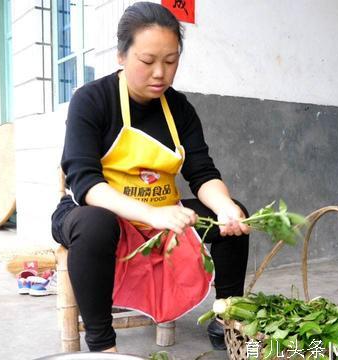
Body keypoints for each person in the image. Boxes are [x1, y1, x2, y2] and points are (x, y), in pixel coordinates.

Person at [51, 2, 249, 352]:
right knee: (94, 224)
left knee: (235, 215)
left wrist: (225, 207)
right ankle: (102, 345)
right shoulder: (92, 101)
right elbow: (84, 183)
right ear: (121, 56)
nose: (160, 72)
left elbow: (202, 174)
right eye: (147, 61)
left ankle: (226, 318)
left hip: (162, 213)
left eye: (171, 61)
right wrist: (153, 214)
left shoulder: (180, 109)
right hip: (97, 211)